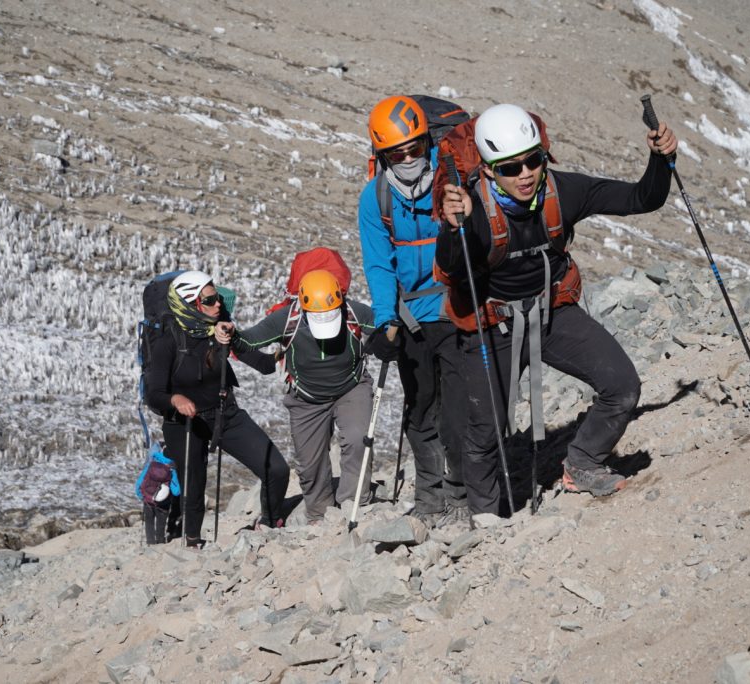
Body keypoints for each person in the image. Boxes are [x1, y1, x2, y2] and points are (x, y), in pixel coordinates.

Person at [436, 103, 678, 515]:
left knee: (622, 386)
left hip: (552, 313)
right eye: (511, 168)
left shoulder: (562, 191)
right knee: (484, 434)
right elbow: (453, 267)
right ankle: (486, 522)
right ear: (490, 170)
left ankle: (582, 463)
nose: (526, 174)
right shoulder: (471, 210)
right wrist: (454, 227)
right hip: (491, 325)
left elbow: (642, 198)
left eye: (534, 161)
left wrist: (661, 160)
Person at [358, 95, 468, 527]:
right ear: (381, 154)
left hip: (455, 305)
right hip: (410, 316)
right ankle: (429, 497)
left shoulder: (453, 178)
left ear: (427, 141)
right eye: (396, 153)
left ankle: (461, 493)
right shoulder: (376, 198)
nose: (407, 158)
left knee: (458, 406)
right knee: (421, 407)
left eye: (415, 148)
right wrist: (385, 319)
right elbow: (379, 263)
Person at [217, 270, 376, 524]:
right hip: (306, 399)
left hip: (351, 388)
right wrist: (232, 336)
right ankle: (319, 515)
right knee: (310, 464)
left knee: (358, 440)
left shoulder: (355, 312)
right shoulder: (286, 319)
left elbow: (383, 327)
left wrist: (392, 336)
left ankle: (355, 505)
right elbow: (250, 341)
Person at [145, 270, 290, 547]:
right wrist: (175, 400)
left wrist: (288, 347)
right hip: (184, 423)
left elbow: (262, 365)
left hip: (225, 415)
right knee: (193, 488)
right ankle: (191, 543)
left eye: (218, 299)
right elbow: (154, 395)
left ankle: (270, 523)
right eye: (210, 300)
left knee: (276, 469)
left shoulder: (221, 329)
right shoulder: (167, 341)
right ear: (189, 305)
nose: (218, 305)